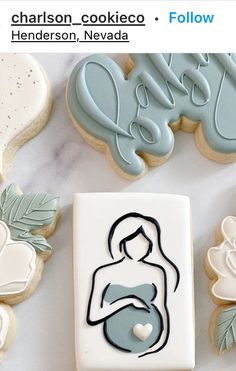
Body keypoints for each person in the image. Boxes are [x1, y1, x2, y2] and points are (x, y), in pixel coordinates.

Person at [87, 212, 179, 357]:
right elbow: (93, 316)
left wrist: (160, 344)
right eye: (133, 241)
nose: (140, 248)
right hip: (112, 346)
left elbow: (162, 308)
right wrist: (128, 300)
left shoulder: (157, 271)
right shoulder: (104, 273)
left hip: (150, 340)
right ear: (122, 242)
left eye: (146, 243)